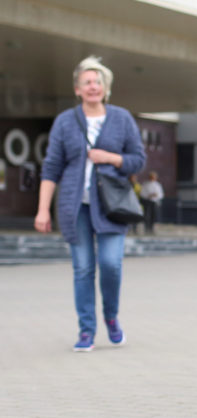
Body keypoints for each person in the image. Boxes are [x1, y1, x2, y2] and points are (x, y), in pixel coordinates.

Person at [35, 56, 146, 352]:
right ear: (77, 89)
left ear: (105, 87)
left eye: (97, 81)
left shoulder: (121, 118)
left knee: (111, 264)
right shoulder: (65, 121)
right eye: (87, 82)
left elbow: (138, 159)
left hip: (112, 206)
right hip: (75, 208)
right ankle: (86, 330)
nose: (93, 86)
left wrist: (109, 157)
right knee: (83, 268)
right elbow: (51, 168)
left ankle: (111, 318)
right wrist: (43, 209)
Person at [139, 170, 164, 235]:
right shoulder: (145, 184)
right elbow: (142, 193)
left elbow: (161, 194)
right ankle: (146, 228)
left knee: (153, 216)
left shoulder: (158, 185)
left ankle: (151, 228)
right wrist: (148, 195)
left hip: (154, 202)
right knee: (147, 215)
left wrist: (156, 195)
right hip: (147, 202)